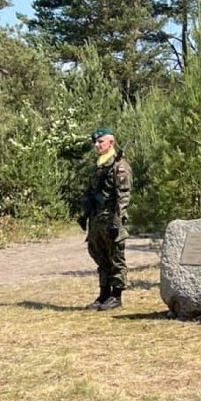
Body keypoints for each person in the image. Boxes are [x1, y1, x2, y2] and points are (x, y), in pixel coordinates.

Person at [80, 127, 133, 311]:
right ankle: (104, 294)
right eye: (95, 142)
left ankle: (116, 296)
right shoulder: (98, 166)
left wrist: (117, 221)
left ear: (111, 142)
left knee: (116, 258)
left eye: (100, 141)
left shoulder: (119, 166)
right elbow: (90, 192)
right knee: (100, 257)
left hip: (111, 219)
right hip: (96, 220)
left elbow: (123, 197)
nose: (97, 145)